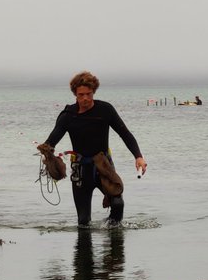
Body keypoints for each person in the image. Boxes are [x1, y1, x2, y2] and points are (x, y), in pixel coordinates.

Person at [41, 71, 146, 226]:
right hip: (80, 171)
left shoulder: (105, 110)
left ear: (94, 92)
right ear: (75, 94)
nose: (85, 98)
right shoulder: (68, 116)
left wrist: (138, 156)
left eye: (89, 94)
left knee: (118, 204)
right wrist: (47, 154)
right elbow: (51, 141)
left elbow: (125, 134)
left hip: (104, 166)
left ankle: (112, 231)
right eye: (81, 95)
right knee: (83, 221)